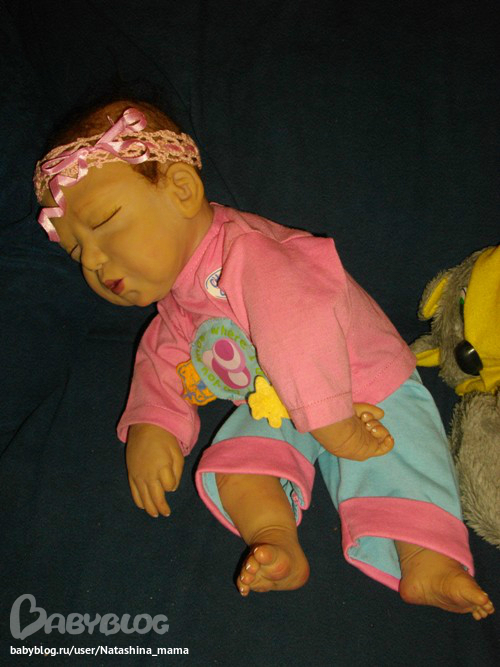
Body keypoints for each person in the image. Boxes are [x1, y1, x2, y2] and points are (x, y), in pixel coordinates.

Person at [33, 99, 494, 619]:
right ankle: (273, 538)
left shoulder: (252, 252)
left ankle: (428, 562)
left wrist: (334, 424)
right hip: (274, 400)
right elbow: (163, 356)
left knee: (402, 456)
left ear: (181, 190)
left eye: (104, 223)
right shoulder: (178, 300)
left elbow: (296, 326)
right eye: (77, 252)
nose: (93, 261)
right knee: (238, 462)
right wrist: (153, 423)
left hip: (364, 380)